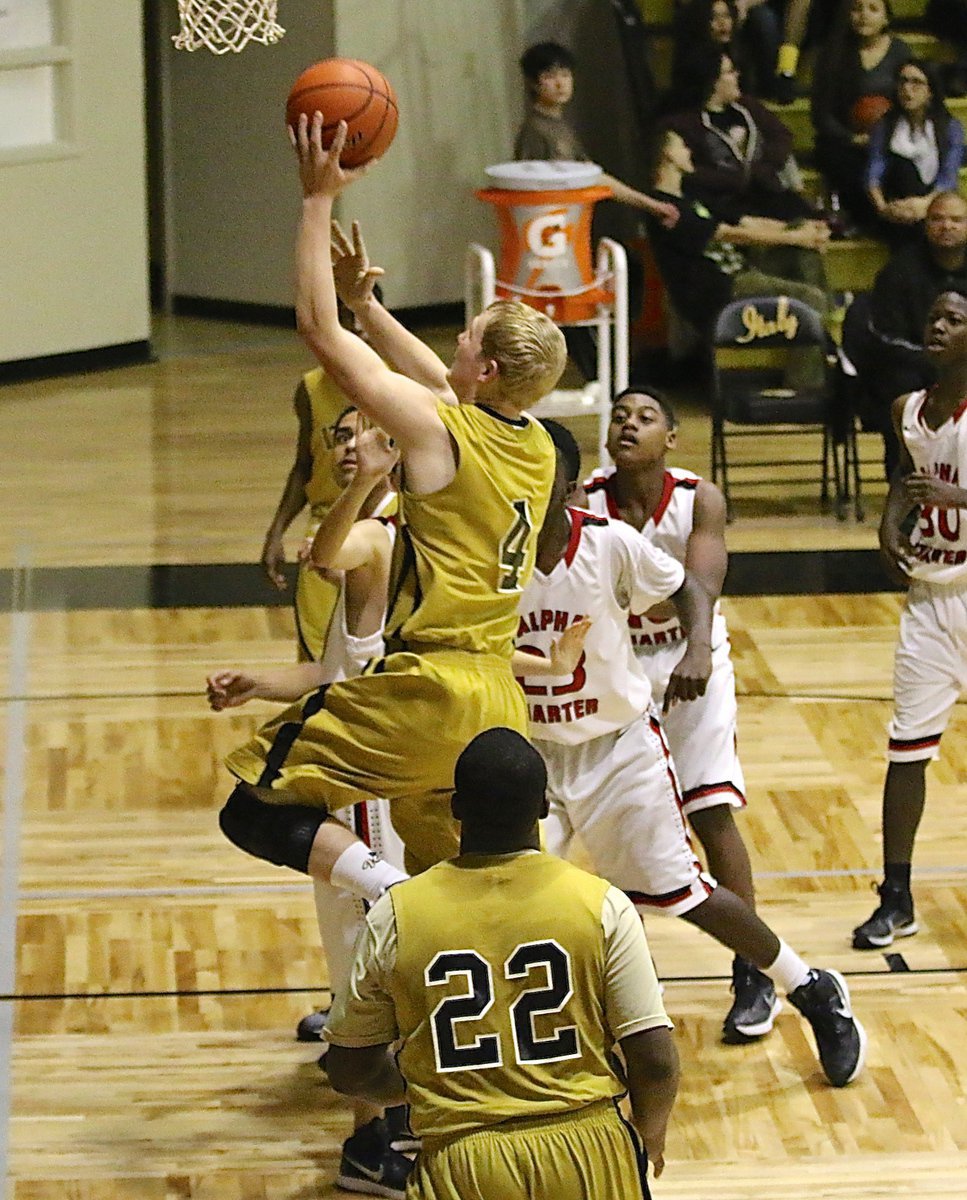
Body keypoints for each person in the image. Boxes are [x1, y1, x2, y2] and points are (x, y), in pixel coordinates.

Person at [218, 114, 566, 918]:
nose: (454, 338)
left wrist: (315, 202)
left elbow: (317, 333)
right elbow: (438, 383)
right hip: (496, 702)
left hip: (427, 688)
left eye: (466, 335)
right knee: (476, 898)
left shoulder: (441, 432)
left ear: (482, 365)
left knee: (252, 805)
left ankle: (386, 893)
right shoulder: (537, 443)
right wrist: (369, 306)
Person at [518, 420, 867, 1087]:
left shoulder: (608, 542)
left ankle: (808, 986)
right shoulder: (490, 555)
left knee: (684, 893)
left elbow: (686, 585)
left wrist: (698, 645)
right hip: (535, 753)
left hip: (615, 750)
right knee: (504, 893)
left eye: (529, 469)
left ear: (562, 484)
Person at [323, 726, 681, 1198]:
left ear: (455, 808)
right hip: (590, 1150)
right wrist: (649, 1135)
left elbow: (349, 1068)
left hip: (464, 1158)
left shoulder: (396, 914)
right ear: (543, 808)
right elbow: (654, 1061)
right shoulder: (602, 905)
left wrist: (422, 1089)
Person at [210, 411, 414, 1198]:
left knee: (373, 972)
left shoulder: (381, 534)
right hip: (361, 782)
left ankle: (378, 1135)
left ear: (395, 449)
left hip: (384, 781)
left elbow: (328, 554)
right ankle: (376, 1134)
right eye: (337, 435)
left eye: (362, 433)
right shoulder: (375, 528)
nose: (345, 443)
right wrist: (260, 682)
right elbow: (332, 669)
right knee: (364, 973)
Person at [583, 388, 777, 1042]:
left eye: (643, 417)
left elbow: (699, 590)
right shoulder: (584, 499)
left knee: (707, 808)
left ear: (669, 438)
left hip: (691, 660)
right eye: (618, 416)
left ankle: (753, 971)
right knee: (618, 822)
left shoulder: (700, 497)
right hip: (620, 666)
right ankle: (621, 988)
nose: (627, 424)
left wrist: (696, 647)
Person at [852, 289, 967, 950]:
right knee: (906, 749)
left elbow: (943, 485)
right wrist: (886, 526)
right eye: (932, 317)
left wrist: (960, 496)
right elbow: (906, 476)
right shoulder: (909, 411)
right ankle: (895, 897)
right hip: (928, 598)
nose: (937, 327)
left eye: (952, 320)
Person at [260, 286, 390, 662]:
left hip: (384, 527)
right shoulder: (311, 388)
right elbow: (305, 464)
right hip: (326, 533)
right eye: (351, 318)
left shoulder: (402, 384)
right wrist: (276, 531)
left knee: (373, 660)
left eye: (368, 317)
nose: (362, 329)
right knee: (317, 664)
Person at [645, 127, 831, 355]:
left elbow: (744, 223)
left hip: (743, 270)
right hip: (721, 287)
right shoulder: (664, 207)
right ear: (668, 155)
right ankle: (805, 382)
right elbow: (729, 234)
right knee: (810, 299)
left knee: (803, 245)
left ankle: (825, 333)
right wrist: (794, 238)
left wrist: (804, 230)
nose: (689, 150)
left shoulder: (692, 196)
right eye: (682, 145)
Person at [842, 191, 967, 476]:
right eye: (938, 219)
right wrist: (935, 361)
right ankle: (906, 480)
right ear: (925, 225)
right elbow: (886, 339)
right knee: (901, 388)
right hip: (911, 367)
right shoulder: (899, 270)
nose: (947, 226)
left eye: (956, 220)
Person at [513, 41, 678, 228]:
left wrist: (651, 205)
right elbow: (527, 189)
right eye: (550, 76)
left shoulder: (560, 126)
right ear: (533, 83)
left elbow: (594, 175)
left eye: (566, 75)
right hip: (550, 227)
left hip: (568, 221)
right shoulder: (535, 130)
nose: (560, 84)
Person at [664, 48, 816, 224]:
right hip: (723, 201)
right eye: (730, 72)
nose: (737, 75)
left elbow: (781, 136)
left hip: (764, 190)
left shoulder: (748, 107)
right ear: (713, 81)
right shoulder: (684, 123)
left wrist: (760, 169)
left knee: (806, 218)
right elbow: (693, 173)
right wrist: (738, 178)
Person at [811, 0, 912, 229]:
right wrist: (853, 138)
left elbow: (911, 99)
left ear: (886, 18)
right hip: (844, 141)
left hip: (891, 137)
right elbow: (821, 114)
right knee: (847, 164)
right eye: (857, 9)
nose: (863, 15)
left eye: (873, 9)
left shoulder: (900, 51)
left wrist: (886, 137)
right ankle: (872, 221)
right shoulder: (832, 53)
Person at [866, 59, 965, 242]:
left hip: (934, 201)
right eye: (903, 81)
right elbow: (874, 171)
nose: (907, 89)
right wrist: (883, 207)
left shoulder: (949, 127)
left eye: (916, 83)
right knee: (903, 168)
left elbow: (948, 176)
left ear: (931, 91)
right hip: (896, 203)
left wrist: (925, 205)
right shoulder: (885, 126)